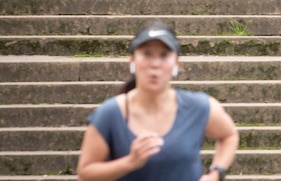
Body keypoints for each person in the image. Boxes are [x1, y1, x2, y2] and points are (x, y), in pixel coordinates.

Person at [76, 21, 239, 181]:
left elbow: (229, 135)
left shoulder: (198, 107)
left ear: (176, 63)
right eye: (146, 54)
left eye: (164, 55)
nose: (155, 64)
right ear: (132, 60)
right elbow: (85, 173)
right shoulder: (111, 113)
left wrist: (216, 173)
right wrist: (129, 162)